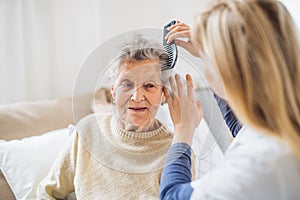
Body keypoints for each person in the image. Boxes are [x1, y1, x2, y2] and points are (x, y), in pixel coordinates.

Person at [160, 0, 300, 199]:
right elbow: (241, 128)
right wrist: (204, 54)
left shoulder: (261, 165)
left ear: (228, 71)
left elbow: (172, 196)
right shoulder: (280, 125)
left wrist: (183, 131)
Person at [36, 35, 196, 199]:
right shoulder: (87, 131)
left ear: (163, 95)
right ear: (113, 90)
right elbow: (47, 193)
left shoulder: (177, 152)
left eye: (149, 86)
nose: (136, 97)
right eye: (127, 84)